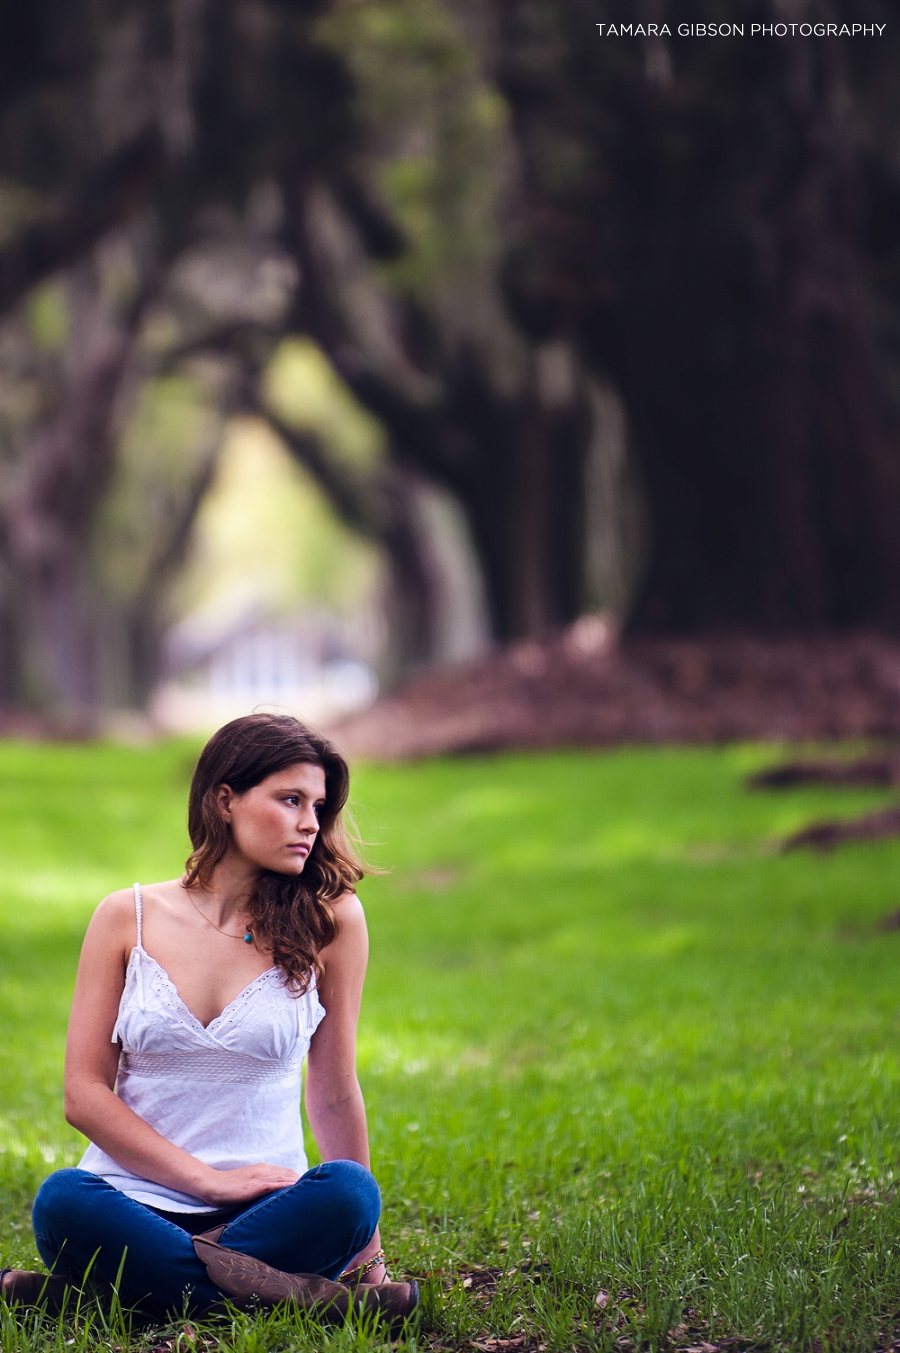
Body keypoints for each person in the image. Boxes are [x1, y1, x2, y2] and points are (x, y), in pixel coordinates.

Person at [0, 714, 417, 1320]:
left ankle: (112, 1299)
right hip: (129, 1203)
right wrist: (206, 1182)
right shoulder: (127, 917)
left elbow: (332, 1093)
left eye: (318, 806)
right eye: (291, 800)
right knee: (63, 1200)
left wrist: (366, 1247)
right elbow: (83, 1095)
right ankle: (304, 1300)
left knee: (351, 1193)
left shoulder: (333, 920)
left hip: (269, 1213)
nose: (310, 823)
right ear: (225, 800)